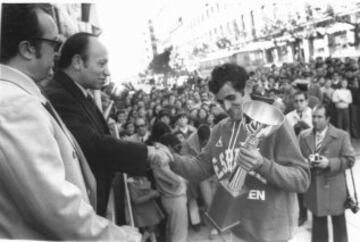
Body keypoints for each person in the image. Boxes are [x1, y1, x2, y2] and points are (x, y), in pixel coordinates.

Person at [0, 3, 142, 240]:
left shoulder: (21, 96)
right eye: (54, 44)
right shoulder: (14, 104)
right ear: (27, 49)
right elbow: (55, 207)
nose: (57, 54)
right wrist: (120, 237)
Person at [169, 63, 310, 242]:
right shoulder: (220, 129)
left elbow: (302, 179)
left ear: (248, 88)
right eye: (220, 102)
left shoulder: (275, 124)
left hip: (270, 232)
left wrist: (262, 164)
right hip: (235, 229)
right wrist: (169, 159)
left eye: (230, 97)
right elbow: (200, 168)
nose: (226, 107)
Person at [44, 33, 171, 222]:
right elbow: (93, 146)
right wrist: (148, 152)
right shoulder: (59, 97)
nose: (108, 72)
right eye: (101, 64)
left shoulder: (78, 92)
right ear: (78, 62)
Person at [298, 104, 355, 242]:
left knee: (339, 225)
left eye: (319, 117)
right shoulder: (304, 136)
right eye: (313, 116)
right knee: (318, 226)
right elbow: (297, 159)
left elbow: (350, 160)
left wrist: (329, 163)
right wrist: (305, 162)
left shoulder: (341, 136)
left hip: (335, 189)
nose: (315, 120)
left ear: (328, 118)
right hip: (314, 189)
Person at [286, 91, 312, 226]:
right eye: (296, 101)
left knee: (314, 186)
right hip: (296, 155)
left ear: (306, 101)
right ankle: (302, 214)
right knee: (300, 186)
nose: (299, 103)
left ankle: (317, 212)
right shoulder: (288, 118)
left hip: (312, 154)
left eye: (302, 100)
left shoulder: (314, 115)